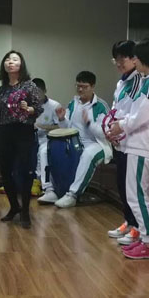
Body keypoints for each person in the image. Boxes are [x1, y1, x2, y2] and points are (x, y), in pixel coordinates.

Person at [107, 39, 149, 260]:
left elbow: (145, 115)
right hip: (137, 144)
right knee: (135, 194)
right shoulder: (147, 80)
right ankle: (144, 238)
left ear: (143, 59)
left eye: (135, 57)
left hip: (143, 145)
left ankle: (148, 243)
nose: (134, 61)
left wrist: (122, 125)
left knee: (138, 196)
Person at [0, 50, 42, 228]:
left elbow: (38, 108)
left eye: (14, 59)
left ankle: (25, 211)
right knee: (5, 172)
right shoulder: (2, 89)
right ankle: (14, 206)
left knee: (25, 172)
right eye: (7, 59)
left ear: (21, 65)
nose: (10, 62)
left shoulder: (29, 86)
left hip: (24, 131)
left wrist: (28, 108)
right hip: (5, 131)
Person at [41, 71, 111, 208]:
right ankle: (49, 190)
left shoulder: (100, 106)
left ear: (92, 86)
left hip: (97, 143)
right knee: (44, 149)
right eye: (78, 86)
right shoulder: (73, 103)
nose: (80, 90)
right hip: (74, 141)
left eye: (84, 87)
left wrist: (89, 122)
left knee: (88, 154)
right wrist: (62, 119)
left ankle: (72, 195)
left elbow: (104, 134)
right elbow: (67, 128)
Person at [105, 41, 142, 245]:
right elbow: (116, 107)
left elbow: (135, 112)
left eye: (122, 59)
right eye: (116, 59)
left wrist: (120, 126)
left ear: (134, 59)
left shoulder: (140, 81)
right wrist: (110, 127)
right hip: (119, 139)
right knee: (121, 183)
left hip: (132, 140)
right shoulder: (122, 82)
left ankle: (137, 226)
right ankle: (128, 221)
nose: (119, 63)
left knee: (131, 187)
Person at [31, 78, 60, 201]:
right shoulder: (28, 105)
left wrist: (41, 126)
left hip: (48, 139)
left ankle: (45, 187)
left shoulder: (54, 106)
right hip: (31, 137)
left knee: (42, 152)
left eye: (38, 93)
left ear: (45, 91)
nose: (36, 96)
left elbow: (60, 126)